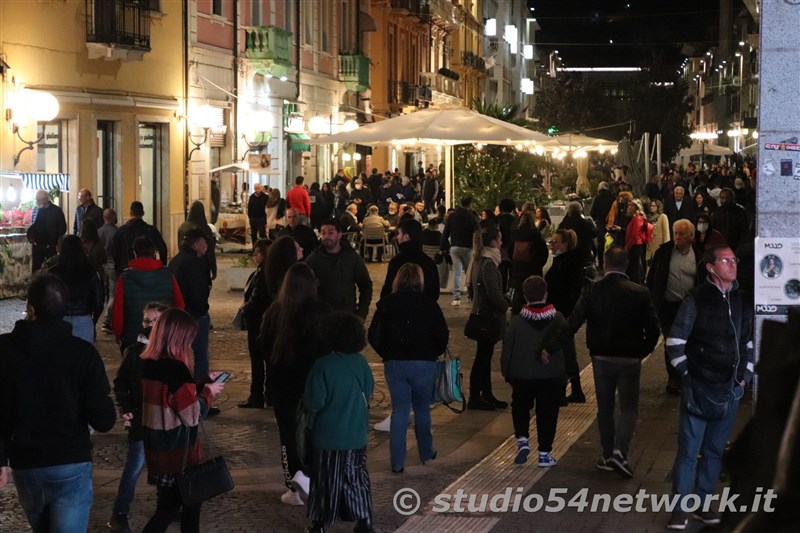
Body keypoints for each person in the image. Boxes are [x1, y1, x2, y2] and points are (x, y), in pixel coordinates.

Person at [0, 273, 116, 532]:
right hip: (70, 461)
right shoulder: (82, 354)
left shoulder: (5, 350)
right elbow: (104, 420)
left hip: (26, 464)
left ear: (30, 309)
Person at [665, 245, 754, 529]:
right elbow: (675, 342)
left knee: (715, 451)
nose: (732, 264)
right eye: (726, 260)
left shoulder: (743, 300)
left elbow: (748, 343)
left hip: (730, 390)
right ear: (711, 268)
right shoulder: (696, 299)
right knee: (689, 451)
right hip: (698, 389)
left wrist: (745, 378)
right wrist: (689, 374)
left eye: (734, 260)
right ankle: (679, 509)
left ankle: (704, 503)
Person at [567, 246, 660, 478]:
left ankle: (608, 454)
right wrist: (643, 351)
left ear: (605, 265)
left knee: (605, 408)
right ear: (626, 265)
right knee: (629, 407)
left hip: (601, 358)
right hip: (630, 360)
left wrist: (550, 346)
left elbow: (573, 322)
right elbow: (654, 329)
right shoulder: (640, 292)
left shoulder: (592, 291)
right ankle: (621, 452)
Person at [139, 308, 225, 532]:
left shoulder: (149, 363)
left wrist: (202, 382)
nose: (190, 345)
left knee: (173, 507)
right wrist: (208, 393)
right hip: (178, 455)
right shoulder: (177, 370)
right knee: (175, 509)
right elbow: (192, 415)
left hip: (158, 449)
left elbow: (171, 399)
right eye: (188, 339)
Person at [261, 263, 330, 506]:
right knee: (314, 434)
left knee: (288, 436)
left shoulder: (273, 313)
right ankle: (313, 478)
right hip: (313, 385)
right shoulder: (321, 312)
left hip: (283, 387)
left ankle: (293, 486)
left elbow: (264, 350)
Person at [371, 264, 448, 473]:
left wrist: (385, 353)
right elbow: (442, 335)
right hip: (423, 363)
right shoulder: (429, 305)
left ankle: (397, 462)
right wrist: (433, 353)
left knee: (400, 411)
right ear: (420, 280)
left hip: (395, 363)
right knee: (422, 409)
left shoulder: (386, 304)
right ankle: (426, 452)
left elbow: (374, 335)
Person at [303, 311, 375, 533]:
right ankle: (363, 520)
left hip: (328, 437)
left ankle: (319, 523)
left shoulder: (323, 365)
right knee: (356, 478)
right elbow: (369, 392)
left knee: (326, 481)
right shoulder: (361, 363)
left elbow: (314, 402)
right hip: (356, 435)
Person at [108, 302, 169, 532]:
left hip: (165, 420)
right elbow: (121, 382)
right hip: (142, 420)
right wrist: (125, 407)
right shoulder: (134, 352)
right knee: (134, 467)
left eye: (155, 321)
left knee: (166, 467)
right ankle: (119, 512)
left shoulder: (171, 350)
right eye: (147, 320)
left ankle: (168, 506)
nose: (150, 325)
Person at [501, 275, 566, 466]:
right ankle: (544, 453)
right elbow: (566, 346)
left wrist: (507, 372)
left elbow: (507, 350)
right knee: (548, 412)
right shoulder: (558, 318)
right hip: (551, 375)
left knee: (520, 406)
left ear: (525, 296)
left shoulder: (516, 321)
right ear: (545, 294)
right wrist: (567, 372)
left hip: (521, 375)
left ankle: (522, 440)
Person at [645, 219, 703, 395]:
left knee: (691, 343)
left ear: (691, 236)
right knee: (671, 343)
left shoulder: (699, 255)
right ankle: (674, 379)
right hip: (668, 306)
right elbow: (652, 279)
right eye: (676, 233)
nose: (677, 237)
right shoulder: (664, 252)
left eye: (682, 233)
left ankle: (689, 376)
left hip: (691, 308)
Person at [113, 237, 184, 355]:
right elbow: (180, 305)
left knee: (134, 369)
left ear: (135, 253)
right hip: (162, 335)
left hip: (133, 337)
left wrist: (118, 333)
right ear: (154, 253)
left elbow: (118, 309)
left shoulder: (125, 278)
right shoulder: (168, 275)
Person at [466, 225, 510, 410]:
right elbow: (494, 294)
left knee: (483, 356)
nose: (501, 243)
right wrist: (506, 304)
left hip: (479, 314)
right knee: (483, 358)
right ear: (493, 242)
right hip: (487, 317)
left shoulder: (477, 261)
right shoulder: (489, 264)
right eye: (499, 239)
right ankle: (477, 395)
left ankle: (485, 394)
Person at [545, 229, 586, 404]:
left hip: (563, 313)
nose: (552, 245)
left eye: (555, 242)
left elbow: (571, 290)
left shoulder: (567, 263)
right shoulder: (561, 261)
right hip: (561, 312)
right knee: (565, 351)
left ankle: (565, 391)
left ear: (565, 244)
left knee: (564, 352)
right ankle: (574, 389)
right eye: (551, 241)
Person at [169, 229, 213, 384]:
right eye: (204, 241)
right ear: (195, 244)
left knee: (180, 352)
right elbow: (197, 291)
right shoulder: (194, 262)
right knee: (200, 354)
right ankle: (200, 394)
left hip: (179, 313)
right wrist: (202, 311)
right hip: (194, 315)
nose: (206, 245)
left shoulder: (176, 260)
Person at [306, 218, 373, 320]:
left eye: (330, 233)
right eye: (323, 233)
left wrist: (361, 313)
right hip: (322, 318)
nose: (326, 236)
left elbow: (366, 286)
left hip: (347, 316)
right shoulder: (313, 259)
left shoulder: (352, 258)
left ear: (339, 234)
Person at [44, 235, 105, 343]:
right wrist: (93, 319)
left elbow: (46, 300)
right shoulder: (90, 272)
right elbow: (99, 302)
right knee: (84, 357)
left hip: (59, 320)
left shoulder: (53, 273)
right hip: (84, 319)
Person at [237, 238, 273, 409]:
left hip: (258, 324)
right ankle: (269, 394)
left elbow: (257, 300)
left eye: (257, 252)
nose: (254, 255)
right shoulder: (270, 271)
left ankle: (257, 395)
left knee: (258, 361)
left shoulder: (263, 274)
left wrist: (245, 310)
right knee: (267, 361)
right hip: (265, 323)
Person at [380, 218, 439, 301]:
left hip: (398, 309)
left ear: (406, 237)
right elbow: (434, 292)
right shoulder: (428, 262)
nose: (397, 237)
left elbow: (387, 290)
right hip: (423, 309)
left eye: (399, 234)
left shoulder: (397, 261)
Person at [440, 195, 480, 306]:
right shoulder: (472, 218)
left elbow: (445, 233)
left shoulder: (452, 216)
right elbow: (477, 233)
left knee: (457, 272)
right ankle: (470, 296)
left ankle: (456, 298)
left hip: (455, 247)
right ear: (470, 204)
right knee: (469, 272)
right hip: (468, 247)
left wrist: (443, 247)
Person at [112, 201, 168, 275]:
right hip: (148, 269)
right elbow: (162, 249)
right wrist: (162, 265)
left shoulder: (121, 231)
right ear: (143, 213)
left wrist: (118, 269)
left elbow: (115, 251)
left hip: (127, 269)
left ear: (131, 213)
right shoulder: (151, 230)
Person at [508, 211, 549, 314]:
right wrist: (538, 264)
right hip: (532, 267)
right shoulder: (536, 235)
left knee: (519, 290)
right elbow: (543, 252)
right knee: (533, 289)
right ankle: (532, 310)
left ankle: (517, 311)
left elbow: (510, 250)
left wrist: (515, 261)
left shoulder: (516, 234)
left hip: (518, 267)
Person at [27, 189, 67, 272]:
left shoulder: (56, 211)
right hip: (37, 245)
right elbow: (33, 226)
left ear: (45, 199)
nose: (37, 202)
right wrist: (32, 239)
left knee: (53, 267)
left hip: (51, 246)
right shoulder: (36, 210)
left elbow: (62, 227)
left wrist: (56, 242)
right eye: (37, 200)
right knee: (36, 268)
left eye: (39, 200)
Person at [178, 200, 218, 281]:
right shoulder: (204, 228)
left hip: (184, 263)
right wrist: (213, 269)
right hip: (201, 265)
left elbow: (179, 246)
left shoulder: (182, 227)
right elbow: (210, 250)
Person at [558, 201, 597, 267]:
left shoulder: (565, 224)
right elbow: (595, 234)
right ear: (580, 211)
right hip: (584, 253)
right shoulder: (587, 223)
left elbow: (559, 232)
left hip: (569, 253)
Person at [98, 208, 119, 331]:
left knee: (105, 293)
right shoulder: (116, 232)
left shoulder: (99, 232)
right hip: (112, 263)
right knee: (112, 293)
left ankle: (104, 317)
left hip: (101, 263)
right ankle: (107, 320)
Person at [624, 199, 648, 284]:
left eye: (632, 205)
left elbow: (635, 234)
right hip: (634, 244)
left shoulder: (638, 218)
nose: (629, 207)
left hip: (636, 245)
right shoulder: (634, 217)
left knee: (635, 267)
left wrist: (627, 247)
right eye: (629, 205)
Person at [645, 199, 671, 266]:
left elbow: (666, 233)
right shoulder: (647, 217)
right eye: (651, 206)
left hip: (659, 246)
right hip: (649, 246)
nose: (651, 207)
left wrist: (666, 248)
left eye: (654, 206)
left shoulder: (663, 217)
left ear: (658, 207)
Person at [247, 182, 269, 247]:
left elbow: (267, 209)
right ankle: (254, 249)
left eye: (258, 188)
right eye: (255, 188)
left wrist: (265, 220)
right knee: (253, 235)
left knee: (262, 234)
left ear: (261, 188)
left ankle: (263, 249)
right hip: (253, 218)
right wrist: (250, 217)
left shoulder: (265, 197)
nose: (257, 190)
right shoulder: (252, 197)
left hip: (262, 218)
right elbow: (249, 208)